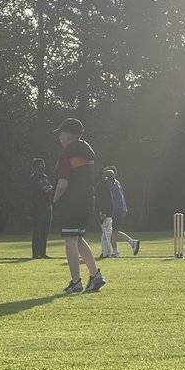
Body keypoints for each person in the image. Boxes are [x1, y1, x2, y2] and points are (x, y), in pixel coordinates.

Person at [51, 118, 105, 293]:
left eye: (61, 133)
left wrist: (54, 200)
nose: (59, 137)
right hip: (87, 200)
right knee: (79, 239)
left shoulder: (66, 154)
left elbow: (63, 184)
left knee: (70, 240)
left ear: (68, 136)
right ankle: (95, 275)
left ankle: (76, 282)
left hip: (71, 202)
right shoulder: (87, 152)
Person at [101, 167, 140, 256]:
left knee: (110, 232)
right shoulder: (116, 182)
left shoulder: (111, 185)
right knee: (114, 232)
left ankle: (115, 251)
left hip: (116, 211)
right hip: (121, 210)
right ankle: (132, 242)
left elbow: (110, 200)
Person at [27, 157, 54, 260]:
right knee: (37, 230)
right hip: (38, 207)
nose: (43, 166)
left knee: (45, 231)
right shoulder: (34, 179)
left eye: (43, 164)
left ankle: (42, 253)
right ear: (35, 167)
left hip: (47, 206)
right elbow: (47, 189)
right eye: (41, 164)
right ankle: (36, 253)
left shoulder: (44, 177)